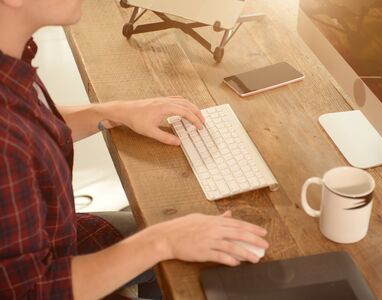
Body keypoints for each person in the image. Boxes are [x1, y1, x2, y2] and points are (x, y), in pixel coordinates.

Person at [0, 0, 269, 299]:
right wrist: (162, 240)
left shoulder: (10, 61)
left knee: (190, 237)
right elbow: (31, 291)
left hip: (54, 238)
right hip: (48, 281)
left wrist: (113, 112)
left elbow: (31, 124)